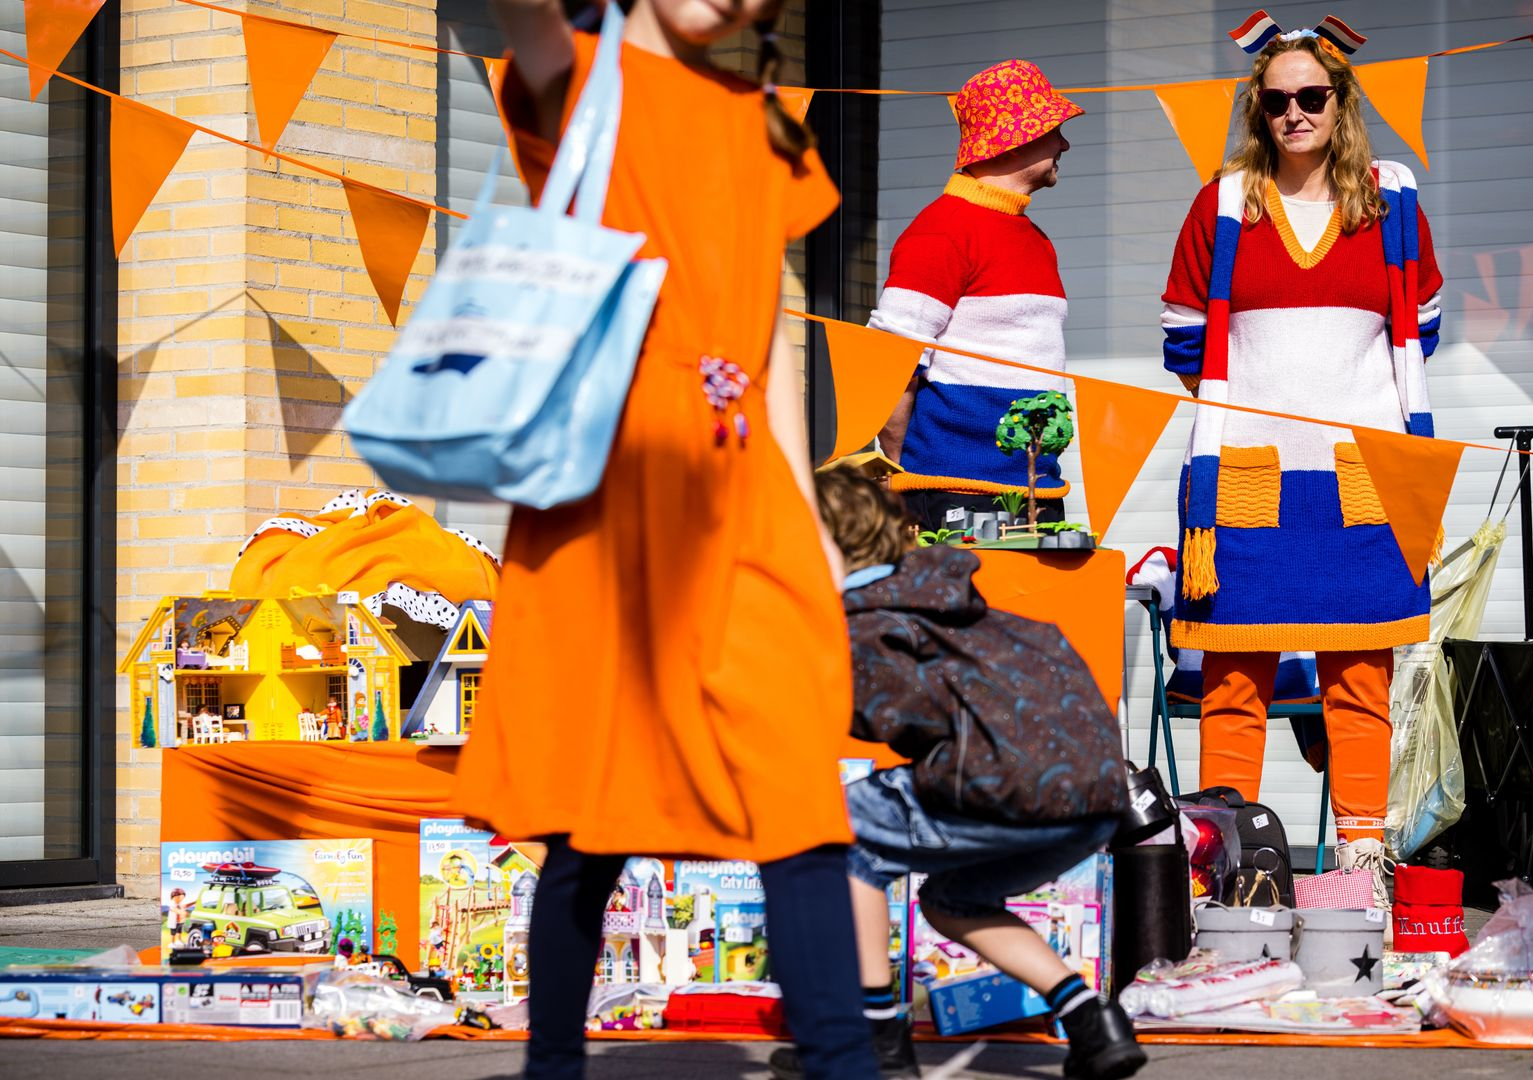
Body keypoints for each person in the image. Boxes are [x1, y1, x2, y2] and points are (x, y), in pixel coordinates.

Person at [458, 2, 875, 1077]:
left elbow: (771, 327)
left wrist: (813, 514)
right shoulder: (578, 72)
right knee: (588, 808)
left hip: (745, 486)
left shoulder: (765, 117)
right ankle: (555, 1064)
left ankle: (845, 1064)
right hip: (609, 475)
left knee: (793, 777)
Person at [1158, 16, 1442, 908]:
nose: (1293, 113)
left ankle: (1361, 876)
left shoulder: (1392, 203)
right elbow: (1180, 332)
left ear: (1341, 102)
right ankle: (1226, 869)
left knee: (1360, 678)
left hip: (1364, 471)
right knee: (1232, 679)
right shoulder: (1223, 203)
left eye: (1310, 96)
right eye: (1274, 100)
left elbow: (1424, 327)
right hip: (1248, 469)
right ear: (1258, 108)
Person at [776, 470, 1144, 1080]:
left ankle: (874, 1041)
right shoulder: (950, 601)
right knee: (954, 899)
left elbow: (886, 712)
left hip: (1007, 783)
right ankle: (1093, 1024)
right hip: (1096, 797)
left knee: (837, 834)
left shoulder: (869, 618)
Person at [871, 60, 1081, 532]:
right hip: (952, 493)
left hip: (1037, 488)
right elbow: (888, 362)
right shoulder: (942, 230)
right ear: (1015, 139)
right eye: (1054, 131)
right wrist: (913, 467)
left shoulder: (1034, 237)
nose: (1065, 143)